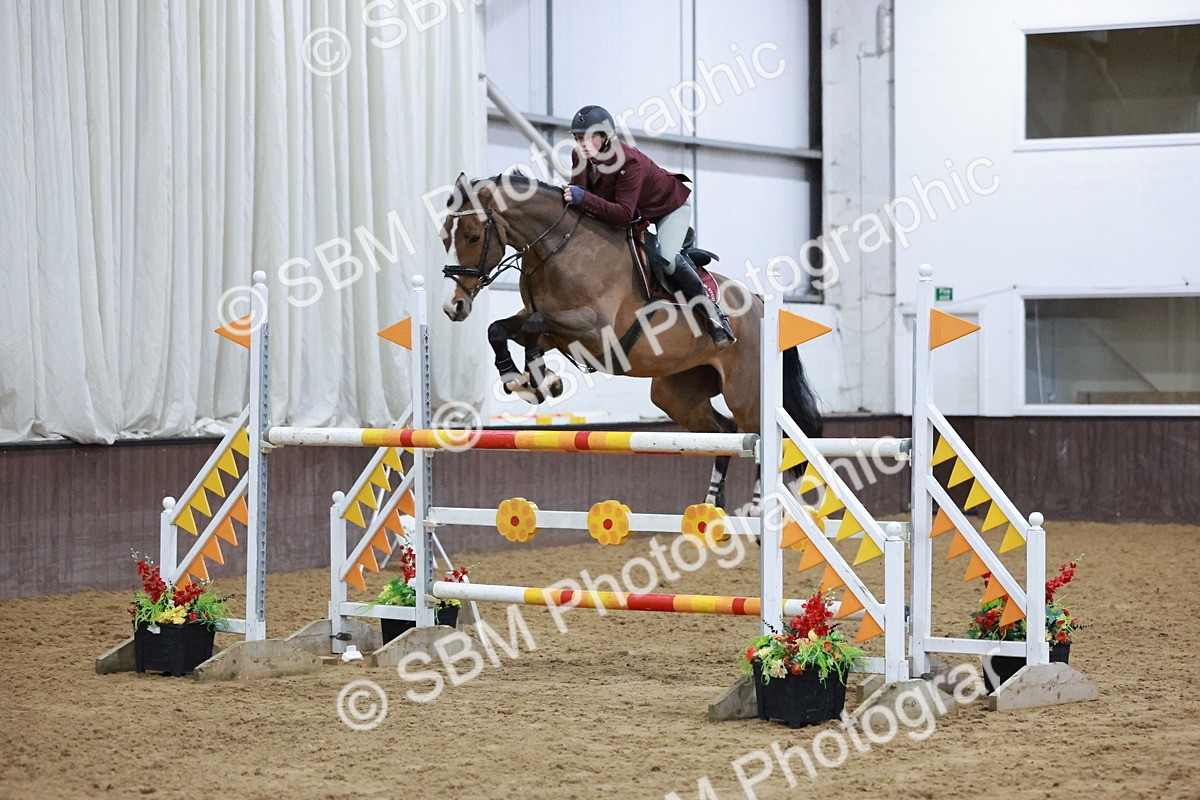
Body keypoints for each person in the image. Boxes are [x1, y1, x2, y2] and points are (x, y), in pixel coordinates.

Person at [561, 105, 735, 350]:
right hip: (637, 213)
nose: (583, 144)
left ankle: (713, 314)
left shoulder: (628, 161)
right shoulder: (579, 156)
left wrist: (584, 198)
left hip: (669, 208)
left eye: (589, 138)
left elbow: (622, 214)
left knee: (668, 259)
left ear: (605, 136)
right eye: (579, 138)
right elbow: (579, 194)